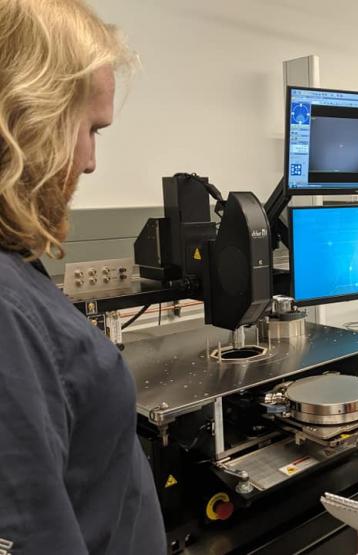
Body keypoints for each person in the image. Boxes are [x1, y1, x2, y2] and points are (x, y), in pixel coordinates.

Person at [0, 1, 166, 553]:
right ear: (31, 115)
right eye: (91, 129)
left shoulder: (18, 267)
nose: (92, 160)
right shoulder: (5, 312)